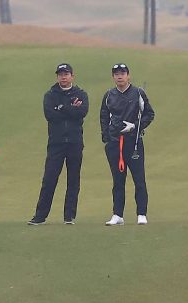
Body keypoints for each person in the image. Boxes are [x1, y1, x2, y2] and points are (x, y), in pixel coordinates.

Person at [28, 63, 88, 225]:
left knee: (73, 179)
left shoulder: (81, 94)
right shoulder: (50, 95)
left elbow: (81, 113)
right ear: (57, 77)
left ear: (72, 76)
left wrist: (61, 108)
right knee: (49, 179)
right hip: (56, 143)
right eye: (61, 74)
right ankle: (40, 216)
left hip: (75, 142)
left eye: (66, 74)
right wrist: (70, 108)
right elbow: (50, 115)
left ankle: (69, 216)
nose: (63, 77)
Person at [99, 63, 154, 226]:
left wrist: (135, 127)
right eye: (116, 74)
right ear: (113, 77)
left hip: (134, 142)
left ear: (128, 76)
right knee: (118, 180)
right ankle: (118, 215)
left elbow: (149, 114)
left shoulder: (138, 93)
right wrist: (107, 137)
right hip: (115, 143)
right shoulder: (109, 95)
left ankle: (141, 214)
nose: (119, 76)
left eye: (122, 73)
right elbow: (104, 117)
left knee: (139, 179)